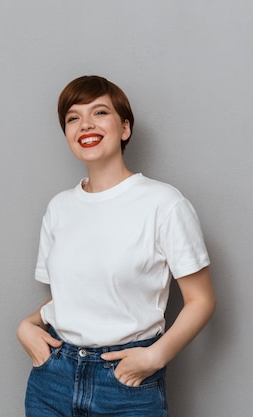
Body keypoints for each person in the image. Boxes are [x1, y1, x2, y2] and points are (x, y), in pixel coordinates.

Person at [17, 75, 216, 417]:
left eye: (99, 113)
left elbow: (201, 299)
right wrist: (27, 327)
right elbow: (73, 294)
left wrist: (156, 356)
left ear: (125, 128)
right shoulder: (59, 208)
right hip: (53, 379)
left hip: (124, 385)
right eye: (73, 118)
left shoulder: (163, 203)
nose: (86, 124)